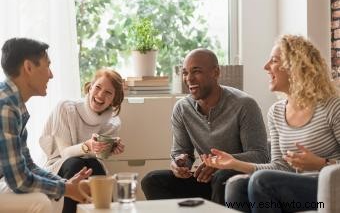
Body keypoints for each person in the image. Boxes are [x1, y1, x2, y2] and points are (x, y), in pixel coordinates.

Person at [202, 35, 340, 213]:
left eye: (274, 61)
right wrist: (233, 163)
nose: (266, 67)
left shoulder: (332, 106)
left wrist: (322, 163)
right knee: (236, 185)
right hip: (294, 189)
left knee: (263, 181)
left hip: (329, 188)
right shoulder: (276, 112)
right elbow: (279, 167)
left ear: (295, 67)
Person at [141, 48, 269, 205]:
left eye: (196, 71)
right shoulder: (182, 108)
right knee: (152, 180)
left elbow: (260, 156)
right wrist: (179, 163)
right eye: (185, 72)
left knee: (223, 176)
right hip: (206, 180)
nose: (189, 78)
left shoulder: (244, 105)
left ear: (215, 72)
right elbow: (182, 152)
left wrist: (218, 164)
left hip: (238, 183)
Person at [0, 37, 92, 213]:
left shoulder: (15, 105)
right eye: (47, 65)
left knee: (53, 196)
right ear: (28, 67)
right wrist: (67, 189)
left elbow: (27, 166)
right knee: (40, 201)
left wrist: (64, 184)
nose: (51, 74)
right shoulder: (5, 106)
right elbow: (19, 181)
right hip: (5, 181)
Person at [39, 68, 125, 213]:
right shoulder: (66, 108)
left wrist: (109, 149)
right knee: (77, 163)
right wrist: (87, 146)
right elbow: (65, 153)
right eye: (97, 87)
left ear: (114, 100)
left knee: (94, 165)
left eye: (108, 93)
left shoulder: (113, 122)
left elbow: (97, 156)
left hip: (89, 164)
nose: (100, 95)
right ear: (90, 88)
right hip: (59, 163)